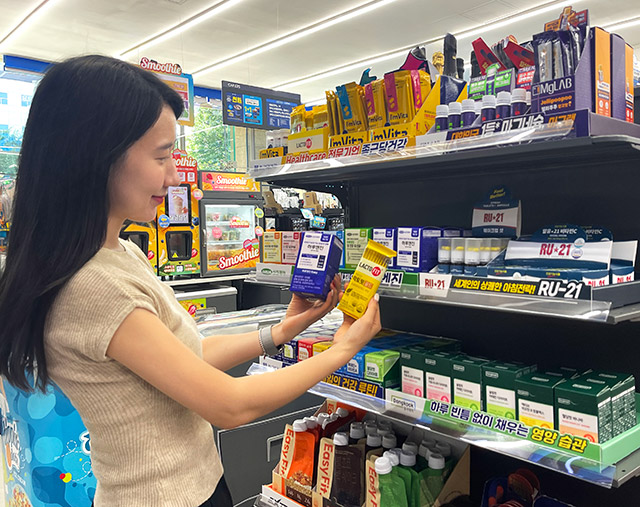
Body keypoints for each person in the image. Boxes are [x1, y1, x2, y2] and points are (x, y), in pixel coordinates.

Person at [0, 55, 381, 507]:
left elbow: (187, 355)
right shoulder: (90, 286)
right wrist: (341, 350)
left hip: (195, 485)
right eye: (161, 156)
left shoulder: (121, 254)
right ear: (96, 157)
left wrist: (282, 330)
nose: (175, 176)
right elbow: (230, 404)